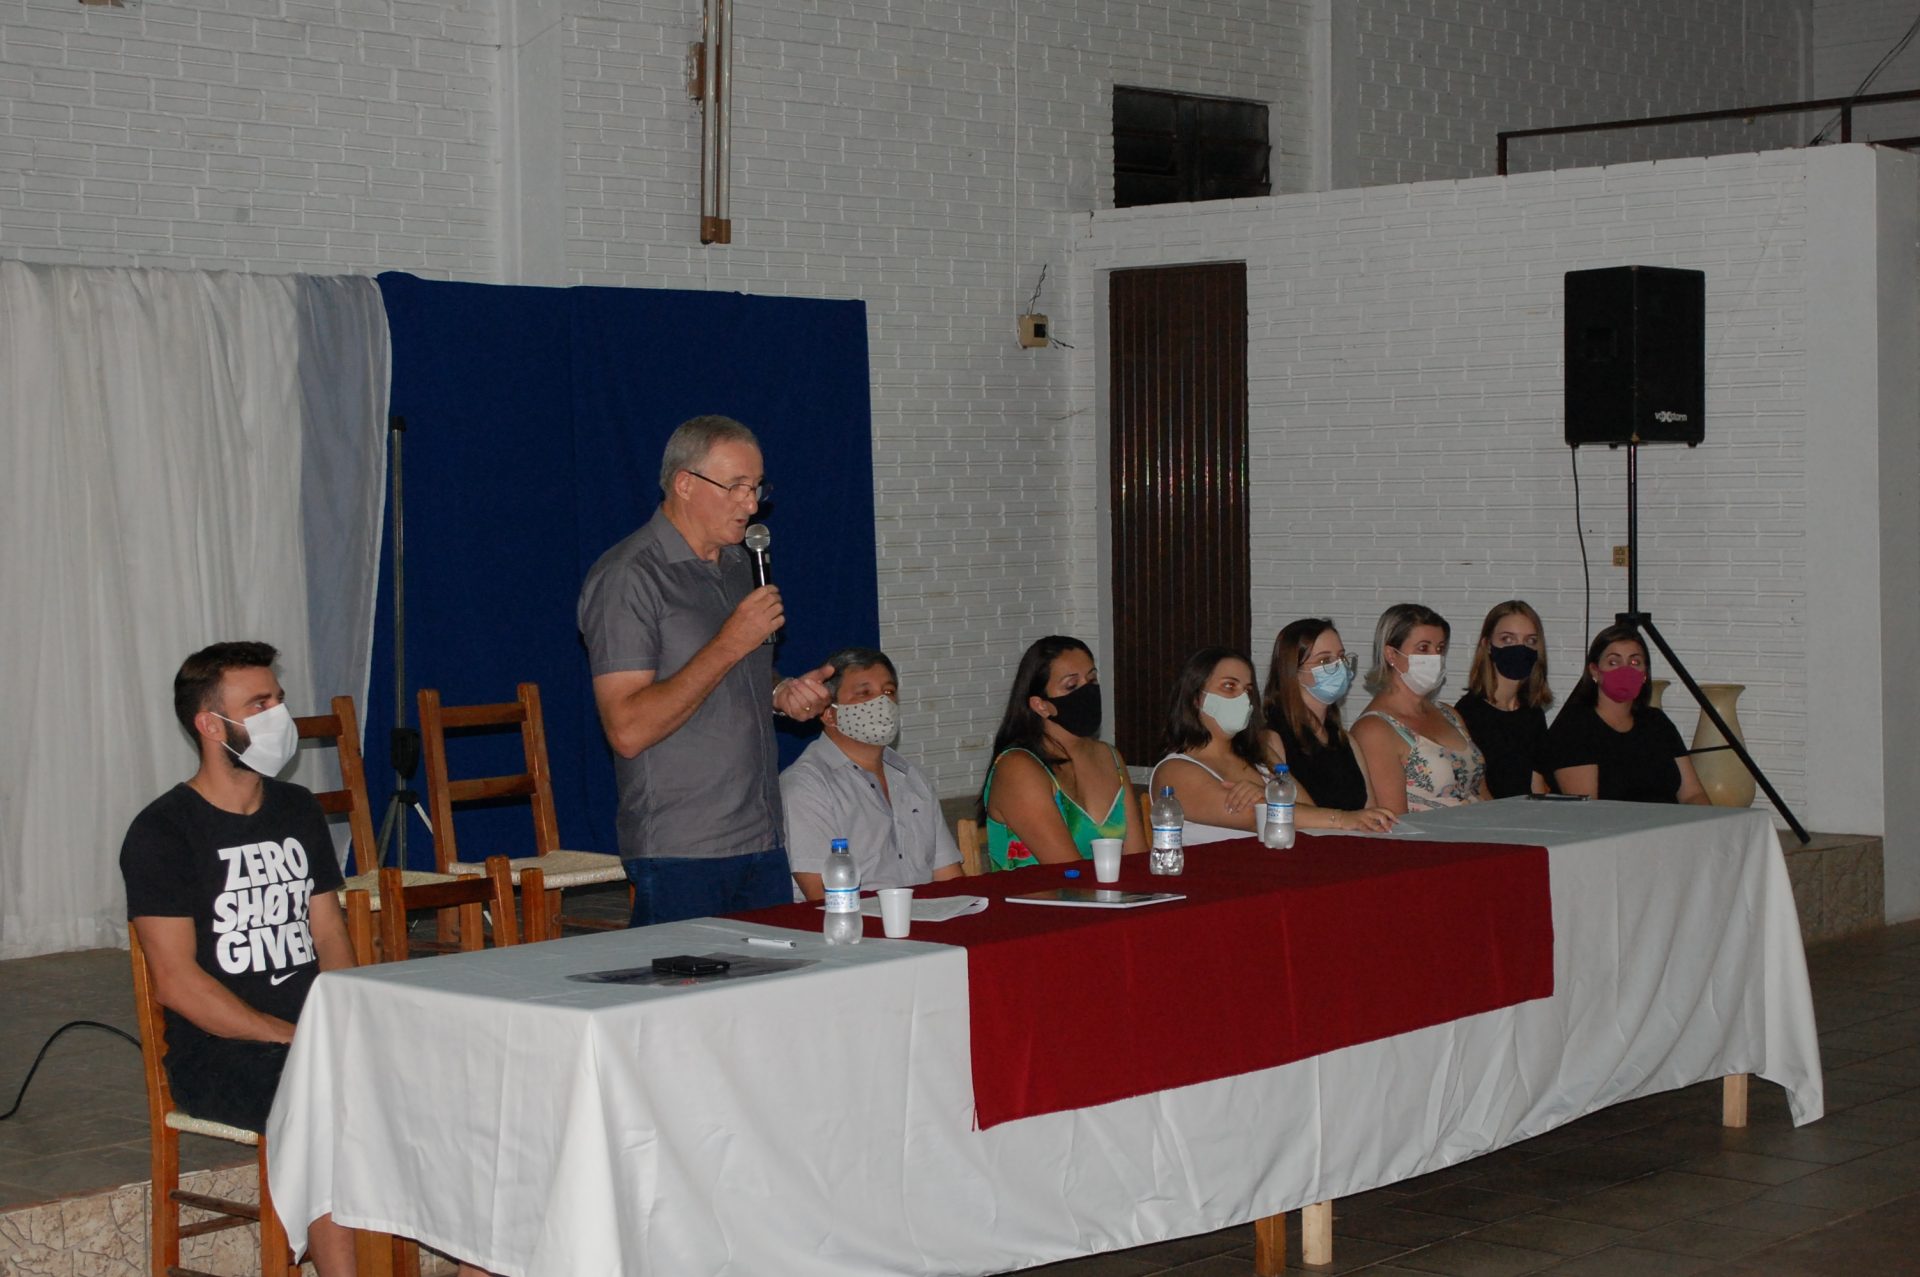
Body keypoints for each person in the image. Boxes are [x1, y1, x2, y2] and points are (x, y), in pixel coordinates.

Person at [119, 642, 360, 1277]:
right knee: (325, 1099)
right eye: (258, 704)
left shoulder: (297, 809)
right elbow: (177, 982)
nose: (279, 716)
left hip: (311, 1033)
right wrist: (293, 1037)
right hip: (220, 1054)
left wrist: (346, 1021)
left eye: (278, 700)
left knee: (443, 1077)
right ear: (210, 724)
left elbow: (330, 935)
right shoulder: (163, 832)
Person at [578, 415, 834, 926]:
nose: (752, 504)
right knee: (685, 981)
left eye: (757, 487)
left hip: (761, 836)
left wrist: (780, 692)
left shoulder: (740, 566)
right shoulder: (629, 576)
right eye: (736, 486)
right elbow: (627, 729)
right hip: (681, 849)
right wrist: (730, 642)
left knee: (772, 979)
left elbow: (740, 675)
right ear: (685, 484)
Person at [1151, 645, 1396, 839]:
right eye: (1229, 687)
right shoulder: (1176, 770)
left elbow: (1307, 808)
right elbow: (1253, 817)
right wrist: (1344, 819)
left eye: (1247, 690)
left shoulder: (1262, 755)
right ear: (1196, 698)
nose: (1242, 697)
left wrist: (1265, 795)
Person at [781, 646, 964, 898]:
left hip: (923, 915)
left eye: (889, 692)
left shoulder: (911, 777)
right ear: (829, 714)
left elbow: (950, 880)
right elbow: (822, 896)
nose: (882, 703)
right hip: (851, 918)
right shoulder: (806, 785)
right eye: (864, 693)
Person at [979, 635, 1146, 869]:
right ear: (1041, 705)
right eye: (1071, 686)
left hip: (1109, 889)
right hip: (1046, 891)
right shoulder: (1018, 768)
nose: (1087, 692)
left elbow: (1137, 859)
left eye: (1092, 679)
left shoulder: (1109, 756)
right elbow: (1068, 871)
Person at [1545, 624, 1710, 804]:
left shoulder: (1657, 722)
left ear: (1645, 674)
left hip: (1670, 821)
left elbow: (1693, 794)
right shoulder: (1574, 728)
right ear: (1594, 671)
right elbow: (1589, 810)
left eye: (1634, 662)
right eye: (1613, 662)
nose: (1625, 670)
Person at [1351, 603, 1491, 812]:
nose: (1435, 657)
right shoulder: (1374, 730)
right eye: (1423, 648)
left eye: (1440, 648)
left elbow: (1481, 792)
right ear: (1391, 654)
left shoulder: (1449, 714)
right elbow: (1395, 818)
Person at [1262, 618, 1393, 818]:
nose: (1339, 666)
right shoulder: (1273, 739)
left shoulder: (1346, 740)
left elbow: (1370, 811)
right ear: (1294, 671)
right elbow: (1284, 814)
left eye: (1341, 657)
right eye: (1324, 661)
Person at [1454, 600, 1553, 798]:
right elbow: (1472, 788)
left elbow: (1536, 785)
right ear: (1487, 645)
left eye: (1530, 641)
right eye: (1508, 639)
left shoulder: (1532, 713)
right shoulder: (1468, 713)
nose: (1520, 648)